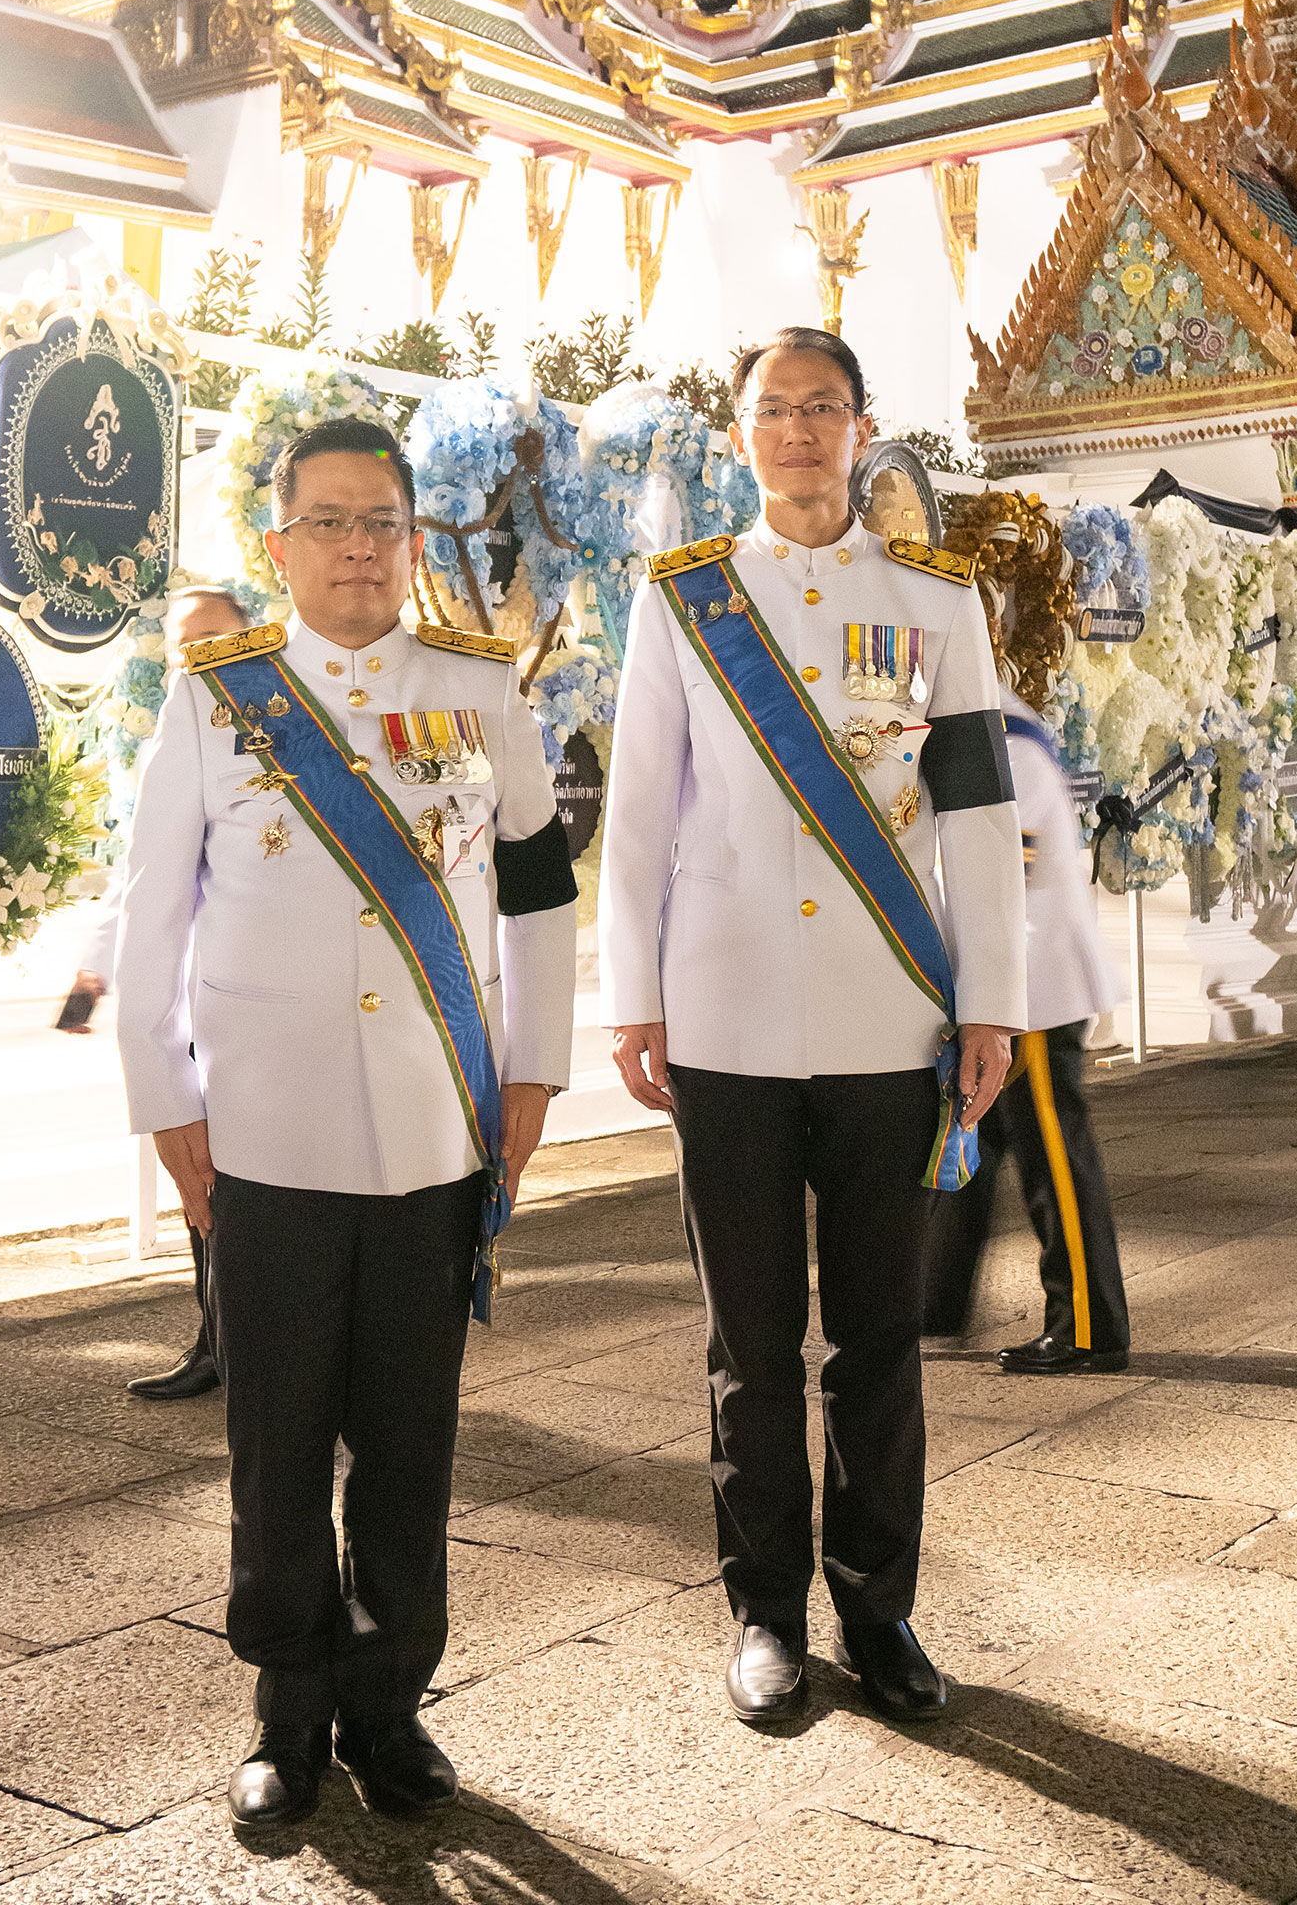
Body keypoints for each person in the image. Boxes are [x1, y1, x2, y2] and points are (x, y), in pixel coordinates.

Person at [115, 417, 577, 1833]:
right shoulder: (216, 701)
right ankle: (285, 1711)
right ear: (280, 547)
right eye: (328, 522)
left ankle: (388, 1709)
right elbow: (152, 914)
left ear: (415, 540)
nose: (359, 547)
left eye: (381, 521)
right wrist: (163, 1095)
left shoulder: (484, 693)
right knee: (275, 1435)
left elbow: (542, 894)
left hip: (437, 1129)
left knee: (407, 1435)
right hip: (265, 1133)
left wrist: (535, 1073)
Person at [601, 327, 1025, 1731]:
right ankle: (767, 1613)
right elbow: (640, 817)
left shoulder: (939, 605)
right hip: (723, 1021)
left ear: (861, 429)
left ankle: (882, 1606)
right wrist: (634, 995)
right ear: (741, 436)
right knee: (751, 1343)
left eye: (822, 408)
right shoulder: (684, 602)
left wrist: (993, 1004)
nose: (796, 431)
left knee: (879, 1344)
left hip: (888, 1021)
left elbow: (975, 815)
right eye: (772, 411)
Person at [59, 588, 248, 1405]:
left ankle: (255, 1351)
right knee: (202, 1181)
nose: (194, 655)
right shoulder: (175, 736)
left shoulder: (288, 728)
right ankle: (219, 1343)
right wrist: (93, 973)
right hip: (193, 1006)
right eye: (182, 644)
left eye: (212, 639)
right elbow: (140, 886)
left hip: (262, 1006)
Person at [920, 673, 1130, 1374]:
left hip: (1030, 998)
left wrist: (995, 1007)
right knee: (972, 1153)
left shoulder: (1003, 747)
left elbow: (1017, 887)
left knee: (1056, 1167)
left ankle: (1089, 1329)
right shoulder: (983, 731)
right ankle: (934, 1305)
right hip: (1003, 993)